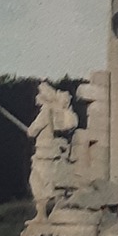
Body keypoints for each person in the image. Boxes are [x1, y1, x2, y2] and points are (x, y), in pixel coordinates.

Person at [27, 83, 79, 221]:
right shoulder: (56, 113)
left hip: (44, 153)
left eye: (40, 96)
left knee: (37, 182)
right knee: (51, 182)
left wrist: (30, 131)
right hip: (52, 153)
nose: (37, 98)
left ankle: (42, 215)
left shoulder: (46, 112)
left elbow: (33, 130)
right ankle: (53, 212)